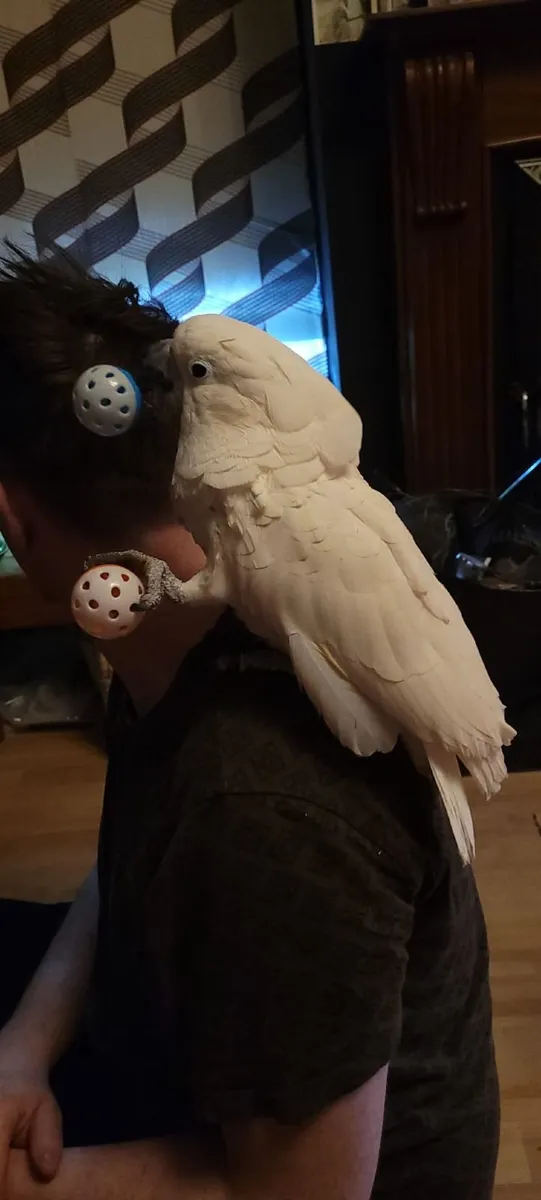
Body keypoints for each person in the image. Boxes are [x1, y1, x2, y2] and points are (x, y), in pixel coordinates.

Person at [0, 251, 499, 1200]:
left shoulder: (257, 806)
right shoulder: (169, 625)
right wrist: (23, 1045)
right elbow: (131, 862)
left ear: (13, 522)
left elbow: (303, 1193)